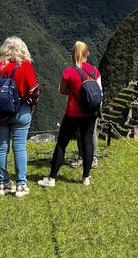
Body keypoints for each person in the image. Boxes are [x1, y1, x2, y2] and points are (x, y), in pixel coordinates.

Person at [0, 36, 40, 197]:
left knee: (1, 147)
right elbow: (34, 91)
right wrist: (32, 104)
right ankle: (21, 185)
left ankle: (3, 184)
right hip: (21, 110)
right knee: (19, 147)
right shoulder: (25, 66)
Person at [39, 41, 101, 188]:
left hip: (73, 113)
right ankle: (86, 177)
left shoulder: (69, 72)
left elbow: (62, 90)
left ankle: (52, 178)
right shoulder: (94, 71)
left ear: (73, 54)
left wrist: (71, 91)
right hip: (91, 112)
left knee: (62, 143)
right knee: (87, 143)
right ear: (87, 54)